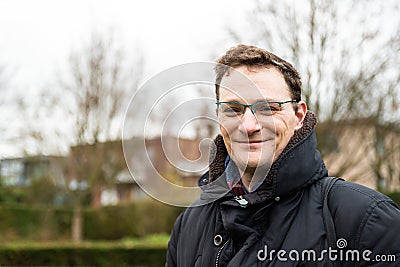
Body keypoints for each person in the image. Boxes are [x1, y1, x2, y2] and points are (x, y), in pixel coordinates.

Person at [166, 44, 400, 266]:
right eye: (233, 110)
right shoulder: (188, 225)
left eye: (268, 108)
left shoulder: (366, 220)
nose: (248, 126)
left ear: (299, 116)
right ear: (218, 116)